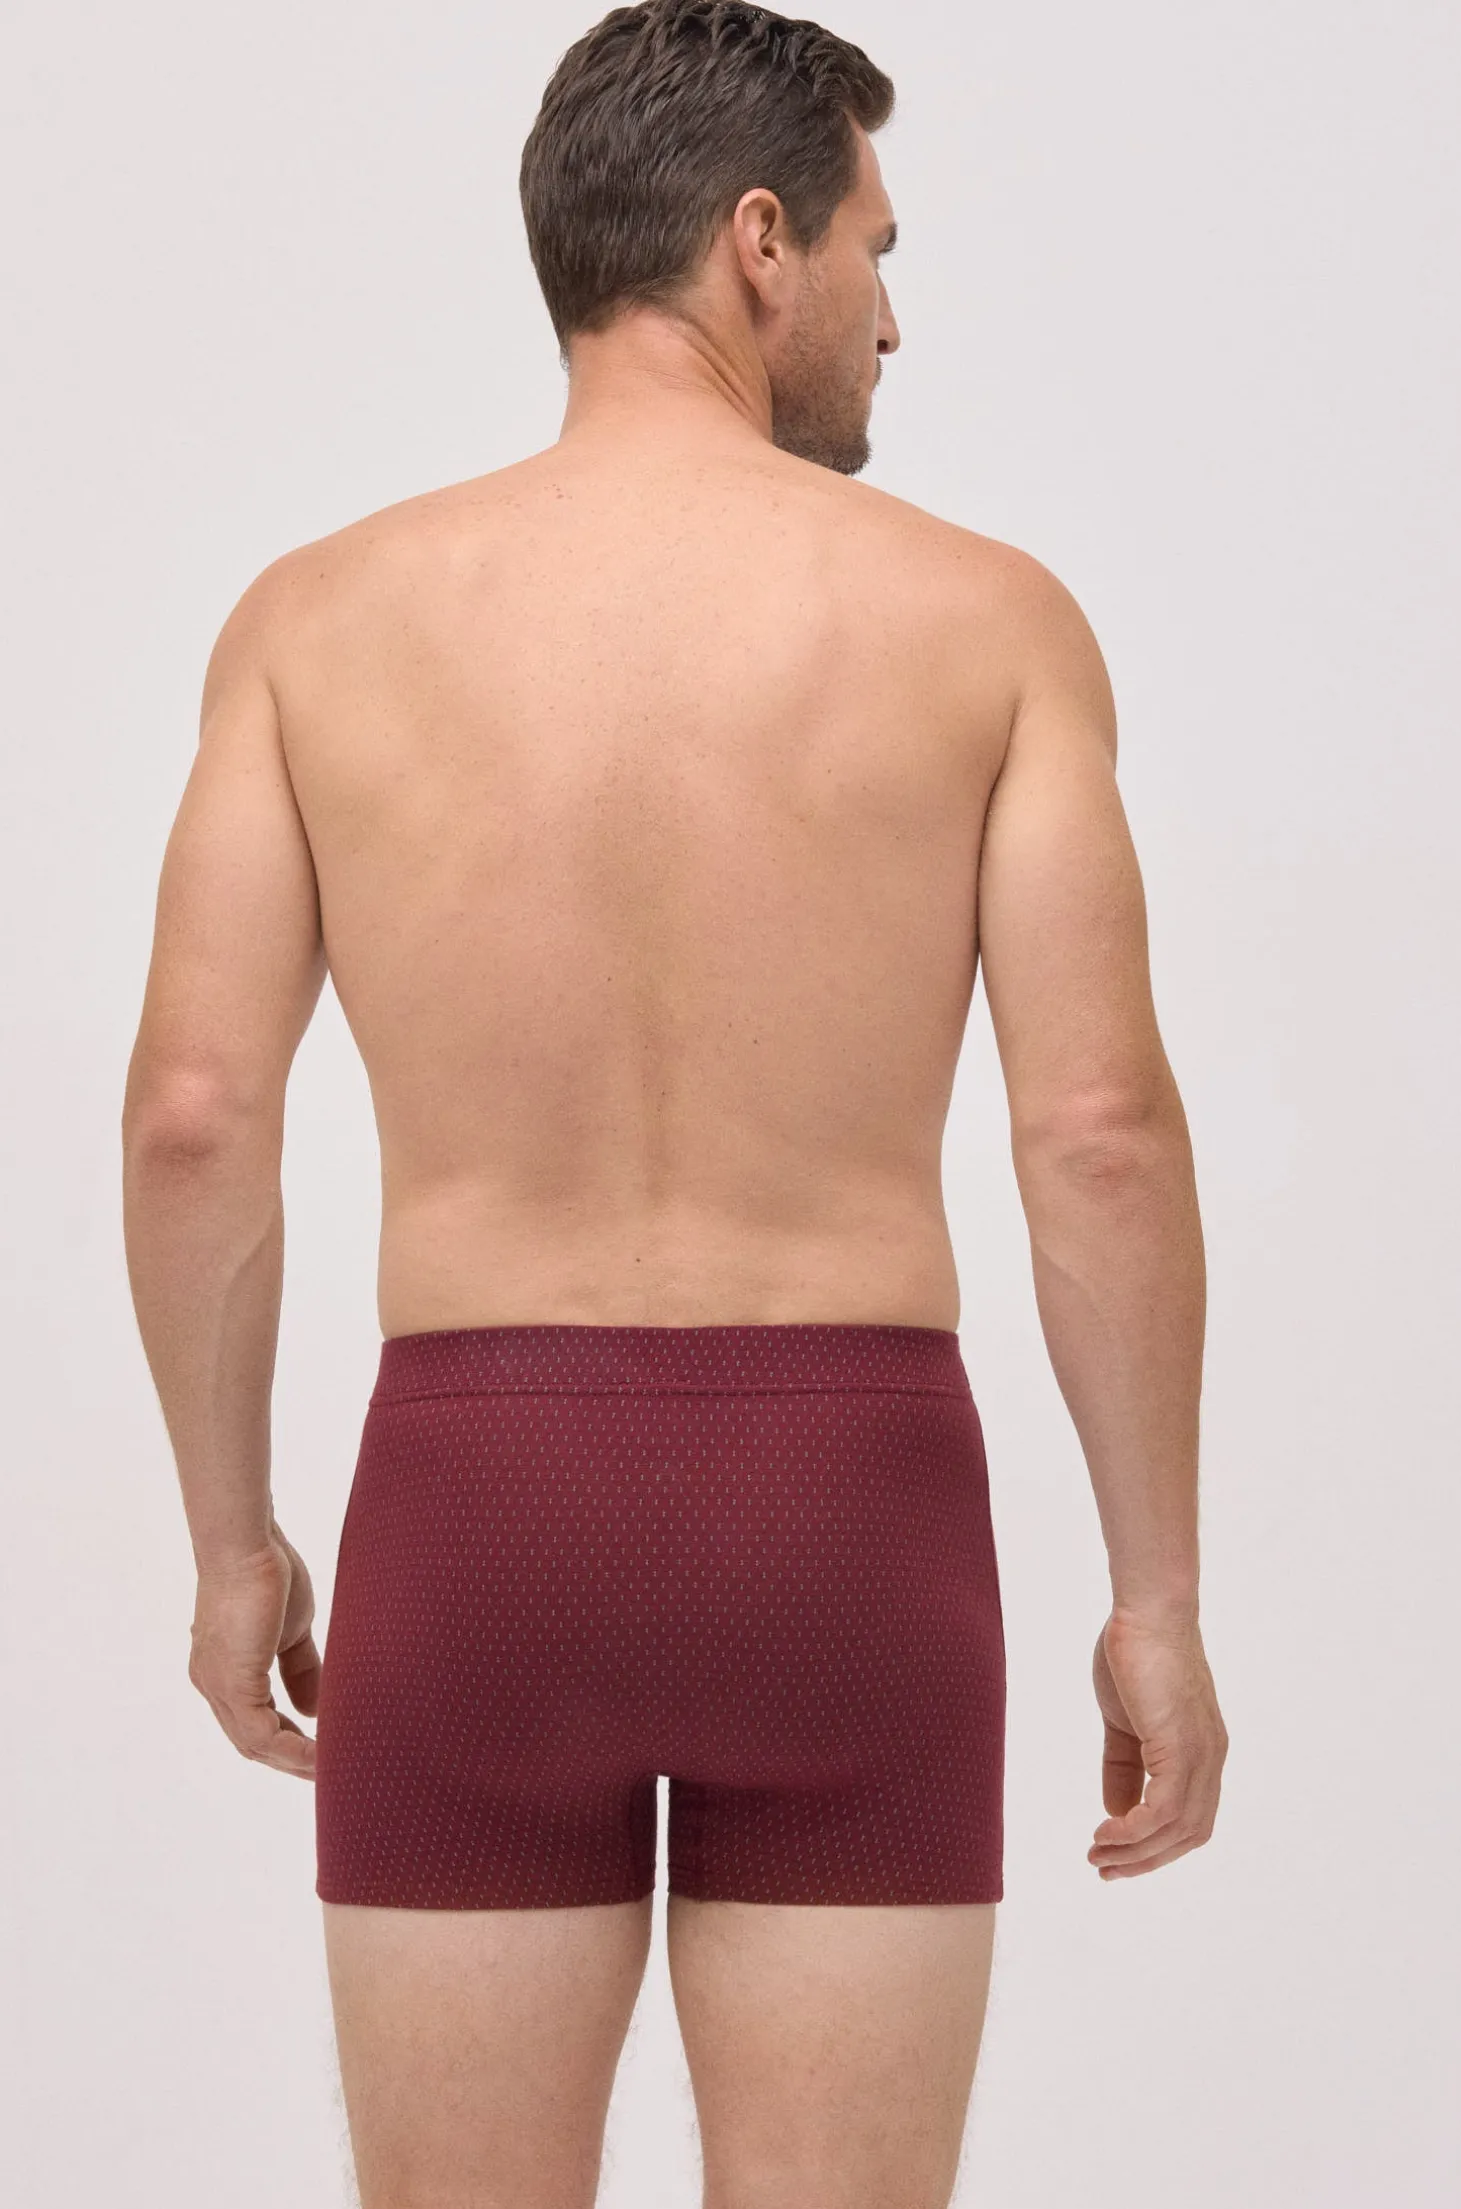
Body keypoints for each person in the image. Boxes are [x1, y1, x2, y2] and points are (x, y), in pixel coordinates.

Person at [120, 3, 1228, 2203]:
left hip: (476, 1517)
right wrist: (1158, 1597)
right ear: (760, 241)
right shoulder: (986, 622)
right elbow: (1096, 1128)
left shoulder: (317, 625)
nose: (892, 319)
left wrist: (232, 1545)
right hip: (847, 1521)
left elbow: (193, 1112)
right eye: (877, 251)